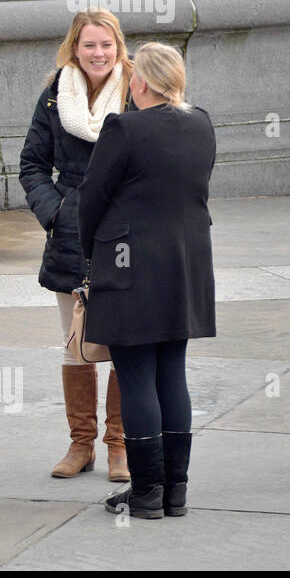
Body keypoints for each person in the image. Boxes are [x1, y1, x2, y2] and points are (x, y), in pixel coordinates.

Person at [77, 43, 216, 519]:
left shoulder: (124, 128)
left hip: (128, 266)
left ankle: (146, 494)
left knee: (136, 377)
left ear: (139, 82)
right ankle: (173, 492)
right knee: (172, 374)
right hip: (186, 265)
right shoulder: (201, 122)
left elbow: (90, 198)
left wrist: (87, 251)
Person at [19, 9, 134, 483]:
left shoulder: (136, 92)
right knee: (77, 345)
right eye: (89, 45)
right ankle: (80, 444)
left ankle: (119, 447)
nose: (98, 53)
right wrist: (57, 213)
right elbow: (30, 165)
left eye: (106, 44)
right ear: (74, 47)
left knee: (125, 345)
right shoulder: (54, 97)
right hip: (70, 238)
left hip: (126, 236)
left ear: (118, 47)